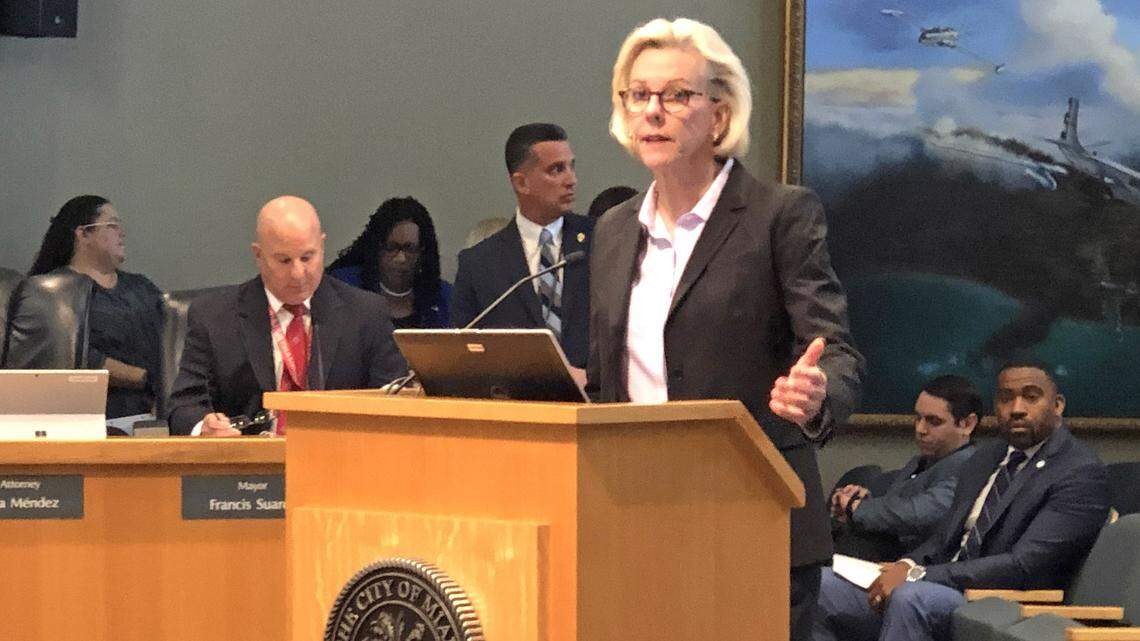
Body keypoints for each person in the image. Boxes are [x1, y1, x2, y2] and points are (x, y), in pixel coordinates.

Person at [588, 18, 865, 641]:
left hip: (752, 518)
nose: (653, 111)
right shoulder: (612, 229)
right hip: (634, 520)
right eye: (639, 95)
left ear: (718, 115)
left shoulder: (779, 215)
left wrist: (815, 392)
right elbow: (609, 384)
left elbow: (836, 349)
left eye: (676, 95)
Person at [813, 361, 1109, 641]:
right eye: (1006, 398)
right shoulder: (987, 458)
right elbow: (943, 540)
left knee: (910, 597)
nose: (1017, 409)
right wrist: (905, 564)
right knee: (818, 585)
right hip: (942, 584)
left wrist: (918, 574)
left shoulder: (1078, 471)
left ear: (1057, 405)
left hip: (999, 597)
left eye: (1031, 397)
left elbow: (1024, 565)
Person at [166, 195, 406, 436]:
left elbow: (394, 402)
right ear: (258, 255)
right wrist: (204, 428)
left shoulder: (366, 314)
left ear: (322, 246)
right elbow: (184, 407)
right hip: (249, 464)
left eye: (307, 257)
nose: (298, 273)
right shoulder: (214, 317)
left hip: (340, 458)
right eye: (284, 261)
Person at [450, 123, 593, 368]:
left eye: (572, 166)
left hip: (594, 399)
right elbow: (465, 356)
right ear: (521, 183)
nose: (571, 179)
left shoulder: (601, 240)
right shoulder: (479, 264)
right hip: (516, 401)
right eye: (556, 169)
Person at [29, 195, 164, 420]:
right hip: (98, 417)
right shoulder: (53, 292)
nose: (122, 233)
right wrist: (145, 378)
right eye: (112, 225)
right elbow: (71, 354)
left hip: (157, 414)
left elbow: (172, 336)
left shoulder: (141, 287)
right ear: (83, 234)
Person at [831, 375, 980, 561]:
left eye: (934, 421)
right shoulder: (923, 460)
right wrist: (861, 499)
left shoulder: (973, 467)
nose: (920, 429)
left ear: (967, 424)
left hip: (915, 565)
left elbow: (921, 514)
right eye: (918, 418)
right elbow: (898, 501)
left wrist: (856, 508)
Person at [327, 197, 451, 329]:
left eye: (410, 248)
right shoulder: (345, 286)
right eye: (391, 247)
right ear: (376, 247)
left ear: (423, 251)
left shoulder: (443, 297)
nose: (400, 258)